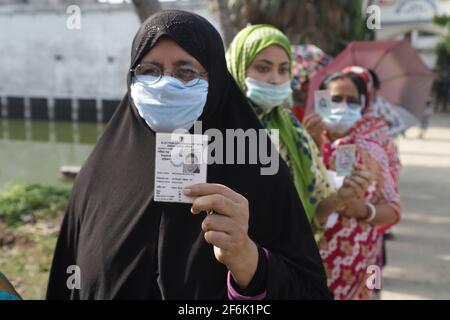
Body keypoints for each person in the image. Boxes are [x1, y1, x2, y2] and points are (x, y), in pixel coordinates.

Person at [46, 10, 331, 300]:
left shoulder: (255, 166)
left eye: (186, 71)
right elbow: (66, 280)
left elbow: (310, 292)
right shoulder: (99, 174)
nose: (166, 85)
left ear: (217, 78)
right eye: (149, 70)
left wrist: (249, 261)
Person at [226, 25, 372, 232]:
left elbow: (314, 215)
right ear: (238, 67)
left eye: (283, 70)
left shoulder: (293, 131)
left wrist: (341, 198)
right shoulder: (214, 129)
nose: (275, 79)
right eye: (263, 68)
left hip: (279, 258)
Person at [304, 66, 402, 299]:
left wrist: (364, 210)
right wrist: (312, 145)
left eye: (352, 101)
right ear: (322, 101)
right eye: (336, 99)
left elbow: (393, 209)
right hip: (310, 262)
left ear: (364, 104)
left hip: (359, 267)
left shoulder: (374, 147)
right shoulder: (301, 141)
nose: (344, 106)